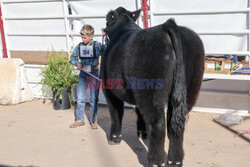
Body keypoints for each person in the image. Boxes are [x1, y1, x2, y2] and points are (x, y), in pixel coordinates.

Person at [69, 24, 105, 129]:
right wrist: (77, 64)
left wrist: (106, 36)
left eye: (85, 37)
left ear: (91, 36)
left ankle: (94, 121)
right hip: (84, 73)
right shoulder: (80, 46)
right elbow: (73, 58)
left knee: (94, 98)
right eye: (82, 37)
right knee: (80, 98)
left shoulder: (97, 46)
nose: (83, 39)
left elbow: (107, 49)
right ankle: (80, 120)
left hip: (94, 73)